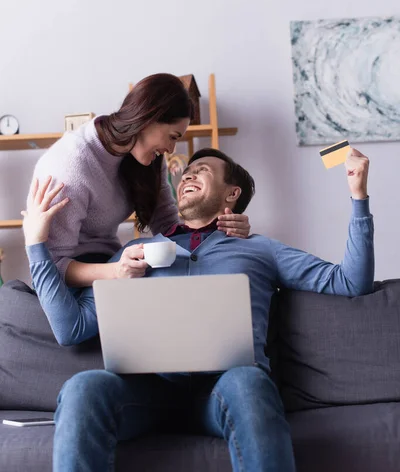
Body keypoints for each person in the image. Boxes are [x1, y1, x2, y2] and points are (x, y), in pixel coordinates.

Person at [23, 147, 373, 472]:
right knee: (83, 388)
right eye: (186, 173)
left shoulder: (260, 249)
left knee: (250, 382)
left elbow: (349, 281)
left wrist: (358, 197)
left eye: (201, 171)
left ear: (232, 194)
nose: (187, 176)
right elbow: (71, 329)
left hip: (226, 390)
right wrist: (36, 244)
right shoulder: (136, 253)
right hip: (146, 394)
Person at [28, 73, 250, 290]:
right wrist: (116, 271)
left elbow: (166, 225)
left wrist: (223, 234)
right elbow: (52, 266)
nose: (171, 149)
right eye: (173, 136)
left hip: (112, 262)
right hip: (76, 280)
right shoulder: (70, 166)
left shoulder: (147, 158)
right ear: (148, 119)